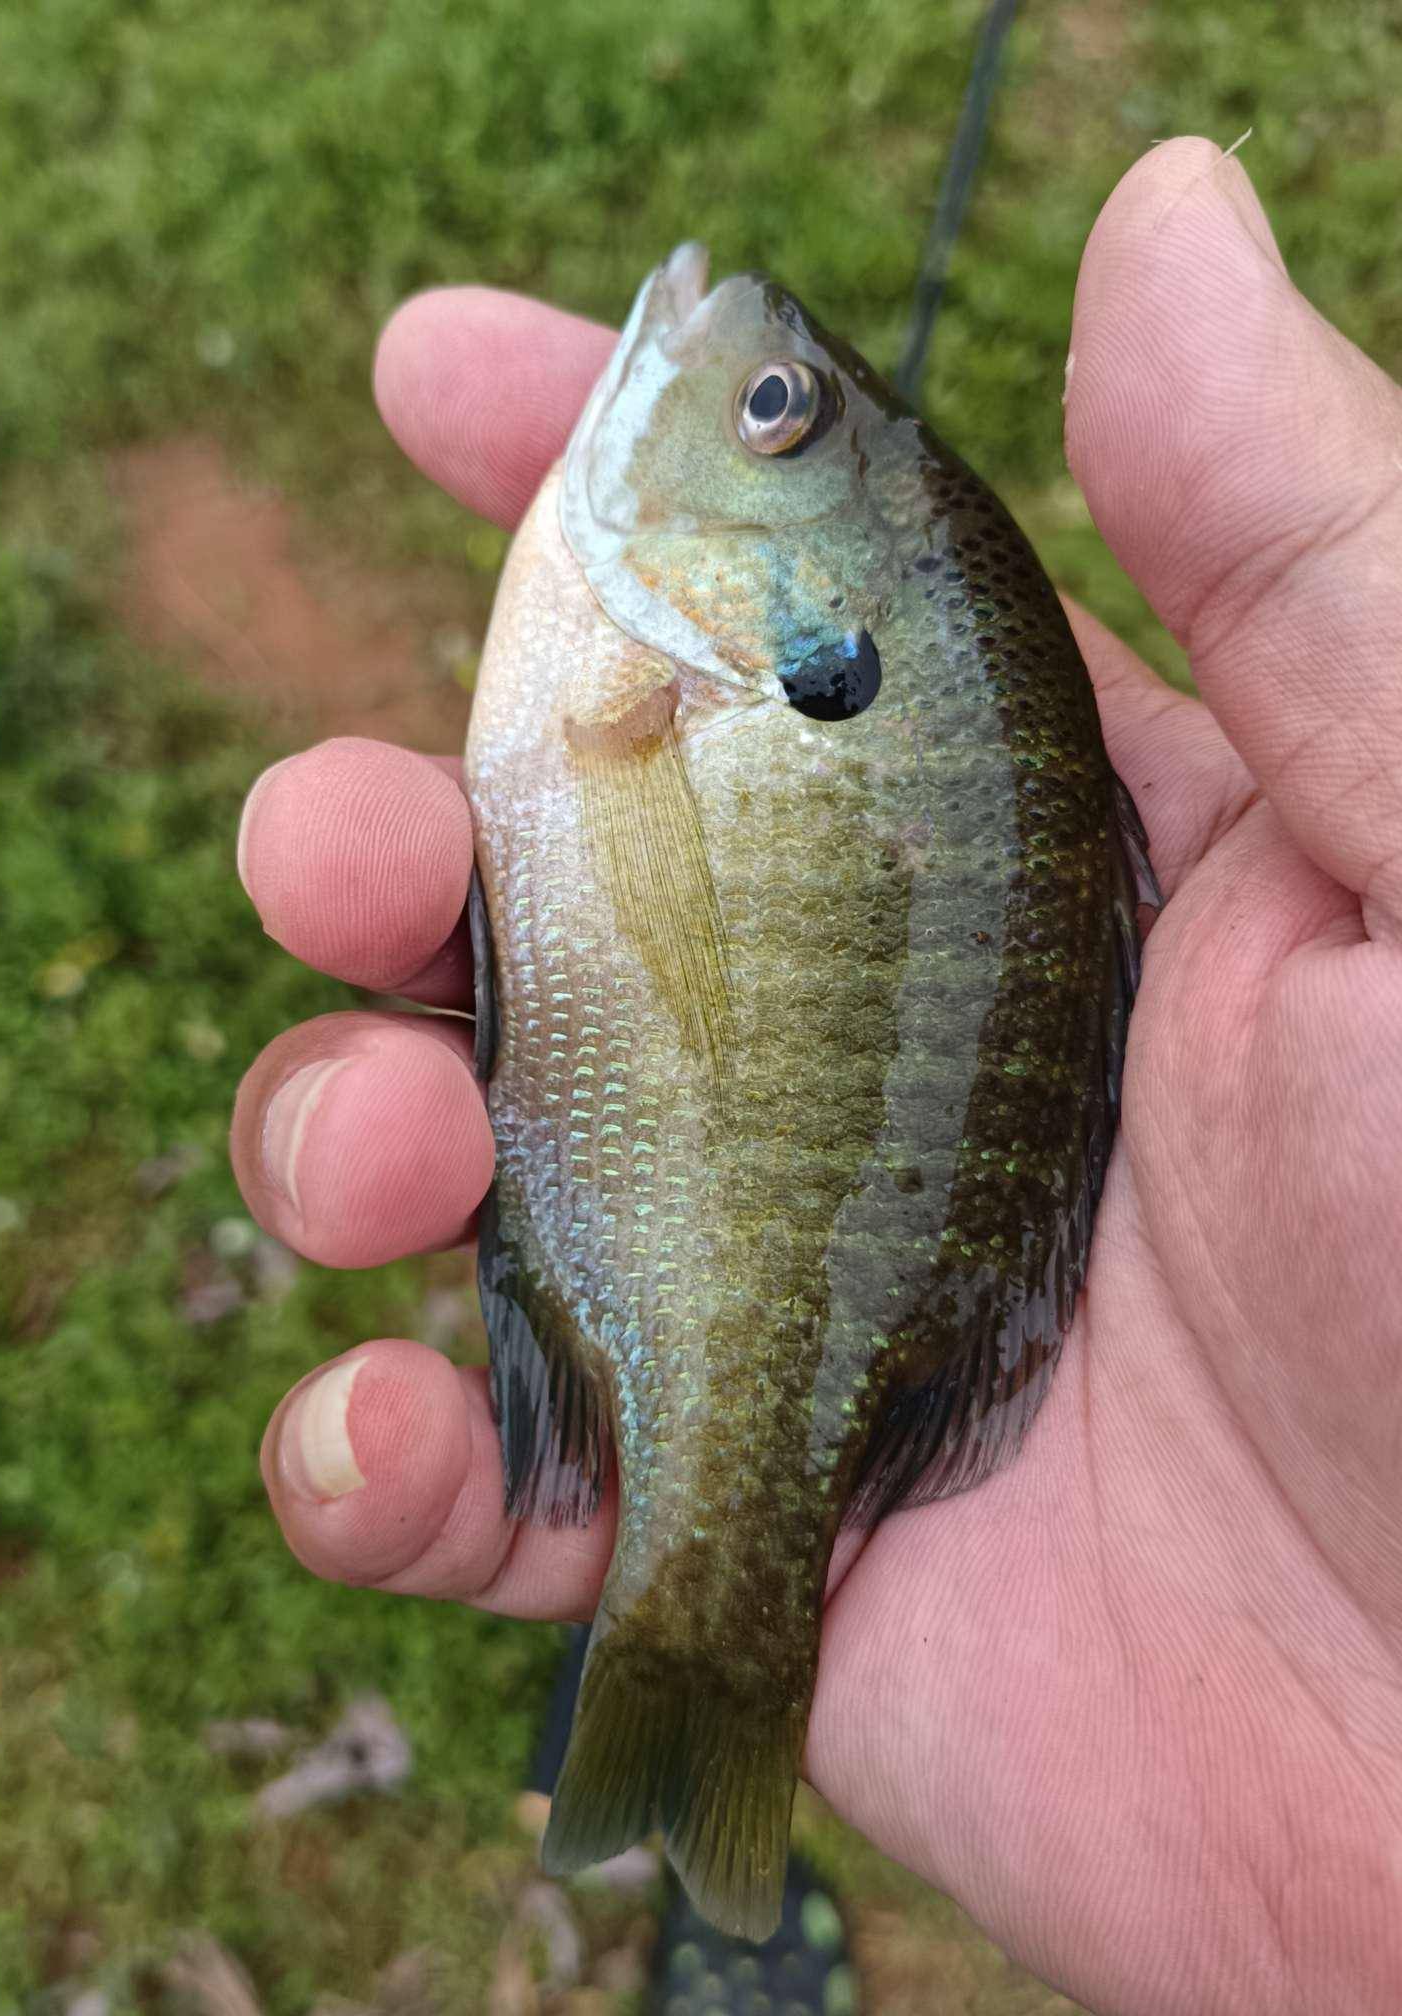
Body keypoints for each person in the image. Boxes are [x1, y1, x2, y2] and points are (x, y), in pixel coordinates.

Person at [231, 139, 1402, 2014]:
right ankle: (691, 1732)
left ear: (818, 623)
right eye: (783, 399)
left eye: (769, 413)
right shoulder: (681, 674)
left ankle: (695, 1672)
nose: (747, 370)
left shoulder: (652, 678)